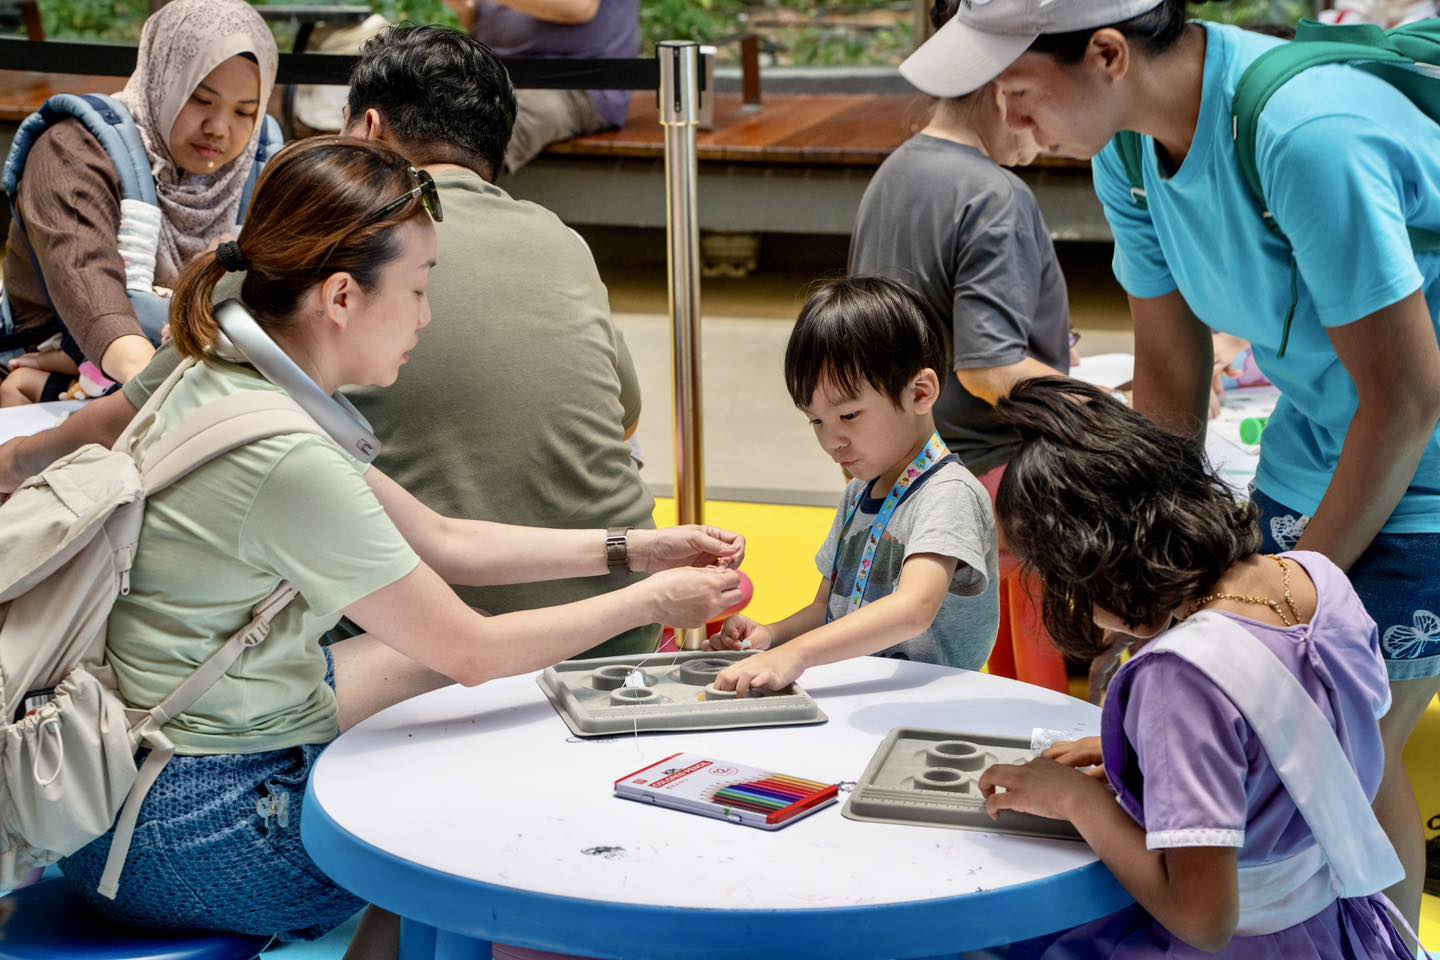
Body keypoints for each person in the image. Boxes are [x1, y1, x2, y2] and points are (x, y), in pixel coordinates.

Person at [56, 136, 745, 954]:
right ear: (342, 294)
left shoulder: (222, 375)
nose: (426, 315)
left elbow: (445, 541)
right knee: (492, 813)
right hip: (193, 833)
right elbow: (475, 650)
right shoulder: (289, 458)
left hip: (116, 790)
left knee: (445, 690)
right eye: (419, 288)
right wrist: (656, 603)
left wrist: (637, 549)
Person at [900, 0, 1440, 926]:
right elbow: (1171, 374)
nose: (1009, 124)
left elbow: (1407, 399)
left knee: (1346, 755)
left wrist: (1275, 595)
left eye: (1020, 94)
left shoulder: (1307, 138)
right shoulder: (1133, 153)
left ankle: (1370, 944)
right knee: (1268, 722)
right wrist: (1151, 578)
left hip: (1418, 469)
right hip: (1315, 447)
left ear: (1108, 53)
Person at [0, 26, 661, 659]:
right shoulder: (561, 240)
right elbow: (621, 425)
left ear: (368, 130)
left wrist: (17, 460)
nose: (426, 317)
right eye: (419, 291)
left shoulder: (319, 252)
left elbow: (133, 421)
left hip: (435, 639)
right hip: (617, 623)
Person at [974, 377, 1410, 959]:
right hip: (1331, 928)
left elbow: (1204, 921)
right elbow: (1292, 745)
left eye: (1060, 576)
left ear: (1098, 557)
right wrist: (1150, 751)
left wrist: (1078, 800)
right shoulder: (1315, 578)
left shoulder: (1178, 679)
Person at [851, 0, 1071, 691]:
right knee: (1028, 668)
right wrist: (1099, 406)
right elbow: (988, 363)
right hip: (992, 470)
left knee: (954, 655)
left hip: (905, 467)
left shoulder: (896, 172)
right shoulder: (996, 194)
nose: (1046, 137)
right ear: (1010, 93)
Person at [705, 277, 998, 695]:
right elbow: (828, 609)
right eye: (816, 421)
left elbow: (914, 609)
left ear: (920, 393)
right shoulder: (858, 493)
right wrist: (771, 637)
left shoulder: (948, 493)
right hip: (865, 700)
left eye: (849, 415)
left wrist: (798, 653)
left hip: (931, 711)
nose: (831, 441)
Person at [0, 0, 277, 396]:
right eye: (201, 100)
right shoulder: (72, 150)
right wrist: (178, 394)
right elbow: (91, 291)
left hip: (181, 374)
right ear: (162, 79)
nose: (219, 128)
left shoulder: (259, 165)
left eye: (244, 112)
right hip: (64, 375)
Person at [441, 0, 638, 171]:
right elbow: (484, 19)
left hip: (571, 84)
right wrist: (466, 10)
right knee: (422, 111)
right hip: (492, 74)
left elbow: (578, 7)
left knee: (466, 135)